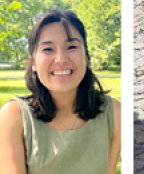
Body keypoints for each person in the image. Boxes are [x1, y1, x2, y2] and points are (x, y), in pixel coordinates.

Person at [0, 10, 123, 174]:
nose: (61, 59)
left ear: (86, 57)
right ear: (33, 63)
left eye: (71, 47)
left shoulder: (114, 112)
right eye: (48, 49)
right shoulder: (14, 116)